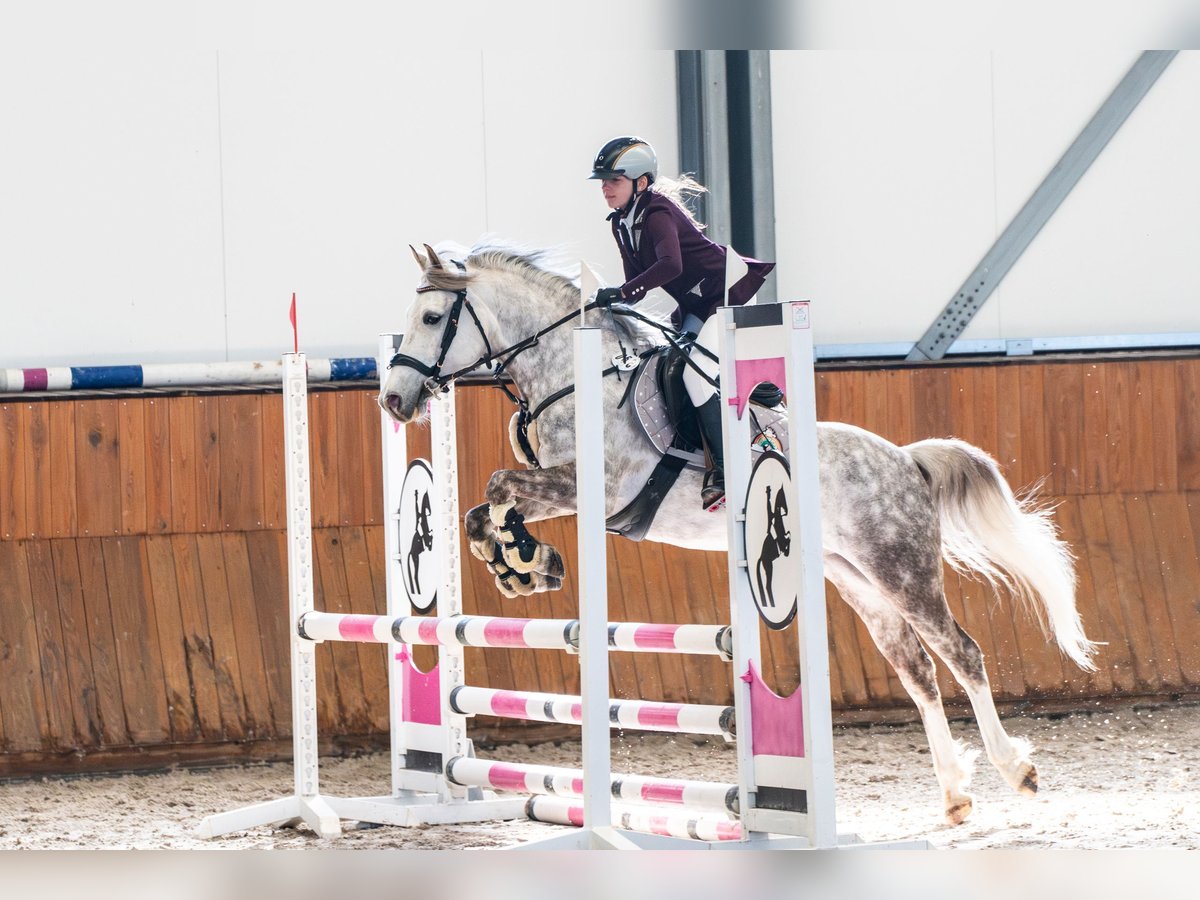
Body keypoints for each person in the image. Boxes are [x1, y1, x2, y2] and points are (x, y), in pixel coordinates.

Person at [588, 135, 775, 510]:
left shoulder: (657, 212)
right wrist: (609, 302)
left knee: (694, 373)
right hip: (698, 303)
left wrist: (622, 292)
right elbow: (637, 287)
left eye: (614, 180)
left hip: (727, 294)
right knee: (669, 367)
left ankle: (726, 470)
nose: (606, 188)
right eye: (604, 181)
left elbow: (670, 266)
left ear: (641, 182)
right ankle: (694, 449)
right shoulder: (621, 223)